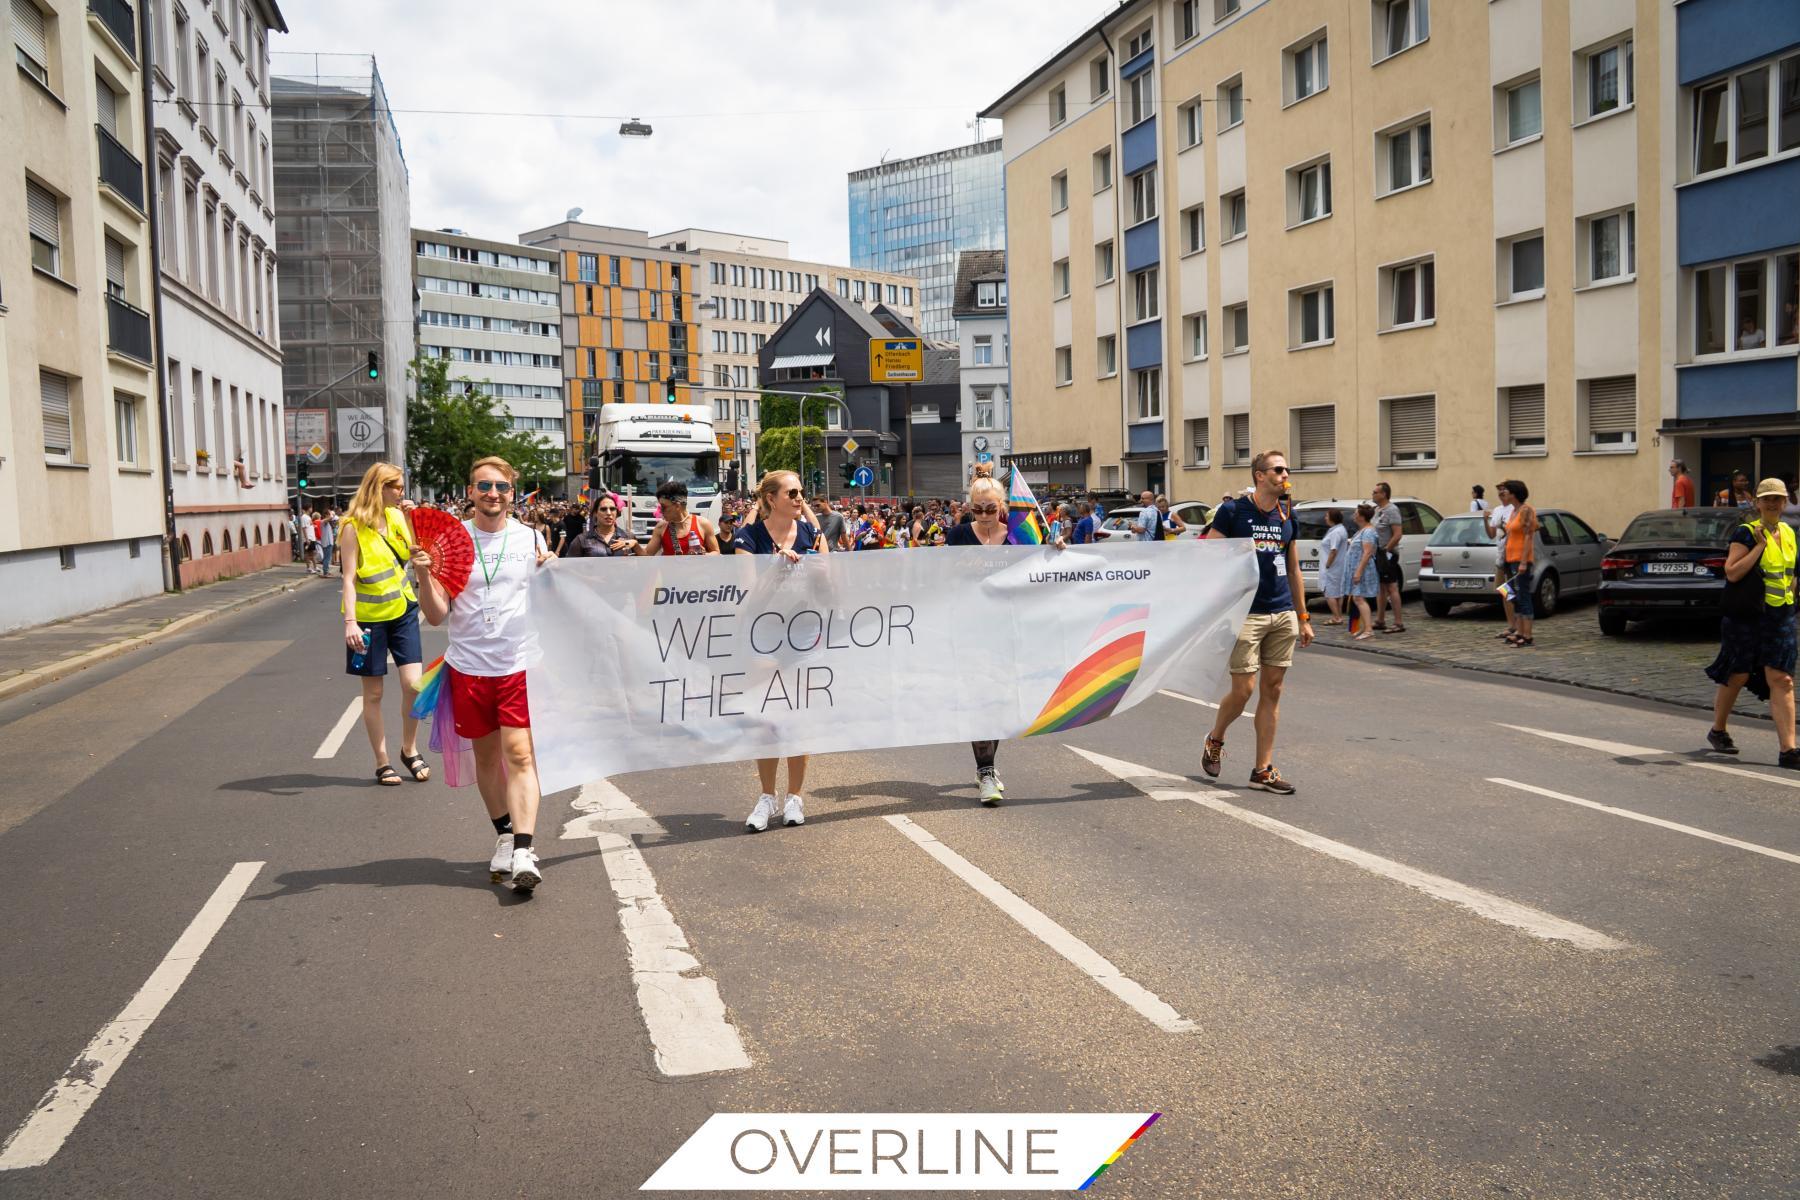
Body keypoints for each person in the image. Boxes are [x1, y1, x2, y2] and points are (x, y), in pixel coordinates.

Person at [413, 456, 556, 892]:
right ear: (471, 491)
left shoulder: (531, 537)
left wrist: (551, 571)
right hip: (470, 668)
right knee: (487, 760)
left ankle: (525, 851)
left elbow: (550, 600)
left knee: (520, 755)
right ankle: (505, 834)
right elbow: (437, 616)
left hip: (517, 664)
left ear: (513, 492)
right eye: (484, 486)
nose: (493, 493)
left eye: (501, 486)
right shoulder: (450, 542)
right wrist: (423, 574)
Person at [1200, 450, 1314, 794]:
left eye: (1287, 470)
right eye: (1278, 470)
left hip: (1281, 613)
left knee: (1273, 690)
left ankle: (1262, 769)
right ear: (1259, 475)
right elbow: (1206, 558)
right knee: (1244, 690)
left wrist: (1303, 615)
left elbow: (1293, 568)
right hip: (1245, 614)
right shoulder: (1233, 511)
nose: (1285, 474)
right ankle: (1215, 737)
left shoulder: (1286, 515)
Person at [734, 471, 827, 832]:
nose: (799, 498)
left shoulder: (812, 534)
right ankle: (766, 796)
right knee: (767, 718)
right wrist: (775, 570)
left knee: (799, 716)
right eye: (791, 492)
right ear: (771, 498)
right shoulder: (749, 536)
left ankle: (795, 796)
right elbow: (748, 594)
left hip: (805, 634)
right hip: (764, 636)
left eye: (801, 492)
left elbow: (831, 587)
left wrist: (821, 572)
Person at [337, 463, 428, 787]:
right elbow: (348, 579)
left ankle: (408, 748)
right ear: (379, 488)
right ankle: (382, 761)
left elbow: (418, 552)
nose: (402, 493)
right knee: (373, 693)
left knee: (413, 686)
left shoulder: (397, 518)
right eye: (397, 487)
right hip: (367, 621)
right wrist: (350, 622)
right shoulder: (352, 527)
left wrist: (415, 520)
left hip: (403, 610)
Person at [1706, 478, 1800, 768]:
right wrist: (1759, 547)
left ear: (1785, 503)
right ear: (1757, 503)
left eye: (1778, 499)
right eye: (1767, 499)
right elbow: (1732, 573)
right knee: (1738, 674)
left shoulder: (1789, 532)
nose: (1772, 504)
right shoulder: (1746, 533)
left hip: (1781, 616)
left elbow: (1791, 572)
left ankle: (1789, 750)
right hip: (1747, 617)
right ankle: (1718, 730)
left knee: (1782, 679)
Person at [1500, 479, 1539, 647]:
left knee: (1523, 596)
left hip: (1520, 560)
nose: (1503, 494)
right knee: (1512, 595)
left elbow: (1529, 537)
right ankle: (1519, 631)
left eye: (1506, 492)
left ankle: (1527, 635)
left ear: (1514, 494)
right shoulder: (1513, 511)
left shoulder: (1526, 510)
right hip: (1510, 559)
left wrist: (1524, 562)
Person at [646, 478, 719, 555]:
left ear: (677, 506)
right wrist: (635, 544)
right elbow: (647, 555)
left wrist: (705, 555)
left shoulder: (703, 524)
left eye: (663, 507)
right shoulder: (661, 527)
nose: (660, 511)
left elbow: (716, 552)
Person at [1370, 483, 1405, 633]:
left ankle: (1398, 623)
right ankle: (1380, 619)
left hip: (1387, 554)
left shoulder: (1392, 510)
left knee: (1391, 587)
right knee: (1381, 588)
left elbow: (1397, 534)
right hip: (1377, 553)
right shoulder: (1377, 510)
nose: (1372, 494)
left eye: (1375, 492)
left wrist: (1386, 550)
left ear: (1384, 494)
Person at [1345, 505, 1381, 640]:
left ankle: (1369, 629)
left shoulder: (1368, 532)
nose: (1354, 515)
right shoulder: (1362, 530)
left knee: (1359, 598)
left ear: (1361, 516)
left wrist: (1358, 571)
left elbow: (1367, 553)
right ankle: (1364, 627)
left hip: (1363, 569)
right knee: (1357, 597)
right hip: (1357, 568)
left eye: (1356, 513)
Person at [563, 496, 639, 557]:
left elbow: (645, 563)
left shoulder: (629, 536)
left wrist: (635, 544)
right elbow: (570, 567)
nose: (609, 513)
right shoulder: (581, 540)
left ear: (616, 512)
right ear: (595, 513)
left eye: (612, 509)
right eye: (603, 509)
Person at [1319, 508, 1350, 625]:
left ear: (1332, 517)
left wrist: (1328, 564)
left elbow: (1333, 550)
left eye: (1327, 516)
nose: (1325, 518)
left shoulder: (1336, 532)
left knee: (1330, 592)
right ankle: (1339, 616)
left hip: (1332, 566)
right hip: (1337, 566)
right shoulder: (1339, 530)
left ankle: (1336, 617)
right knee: (1337, 592)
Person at [319, 506, 339, 577]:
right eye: (329, 514)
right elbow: (331, 517)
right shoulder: (323, 521)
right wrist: (331, 513)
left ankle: (326, 571)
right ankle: (325, 572)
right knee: (327, 558)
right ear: (326, 515)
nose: (330, 515)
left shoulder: (326, 523)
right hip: (327, 543)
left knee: (327, 557)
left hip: (328, 542)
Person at [296, 504, 317, 573]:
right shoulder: (304, 517)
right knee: (308, 553)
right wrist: (307, 539)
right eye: (311, 507)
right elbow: (304, 528)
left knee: (313, 553)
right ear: (308, 508)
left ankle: (315, 567)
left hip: (312, 538)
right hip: (309, 538)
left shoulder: (308, 517)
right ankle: (309, 568)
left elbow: (309, 527)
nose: (312, 509)